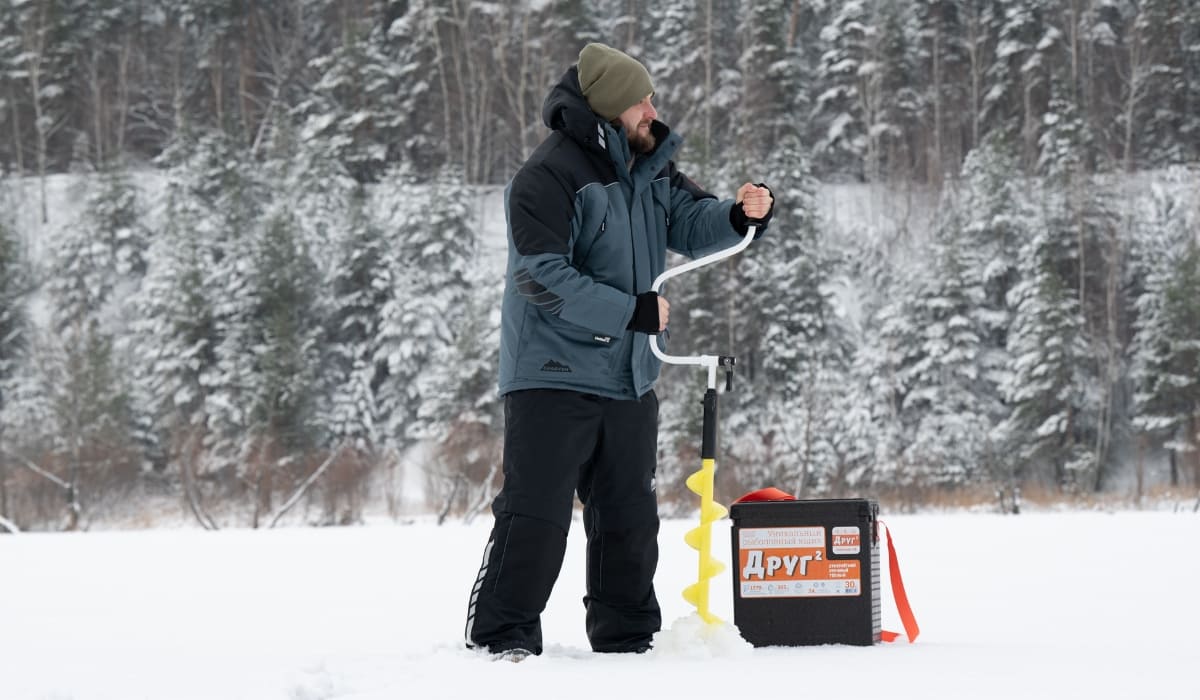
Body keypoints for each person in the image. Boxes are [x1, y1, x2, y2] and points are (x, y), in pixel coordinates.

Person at [464, 42, 774, 661]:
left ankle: (628, 641)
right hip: (550, 373)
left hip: (628, 375)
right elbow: (539, 276)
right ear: (609, 107)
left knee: (630, 517)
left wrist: (741, 215)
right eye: (642, 100)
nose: (652, 110)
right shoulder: (547, 177)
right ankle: (502, 638)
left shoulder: (650, 164)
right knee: (537, 515)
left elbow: (691, 221)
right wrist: (630, 311)